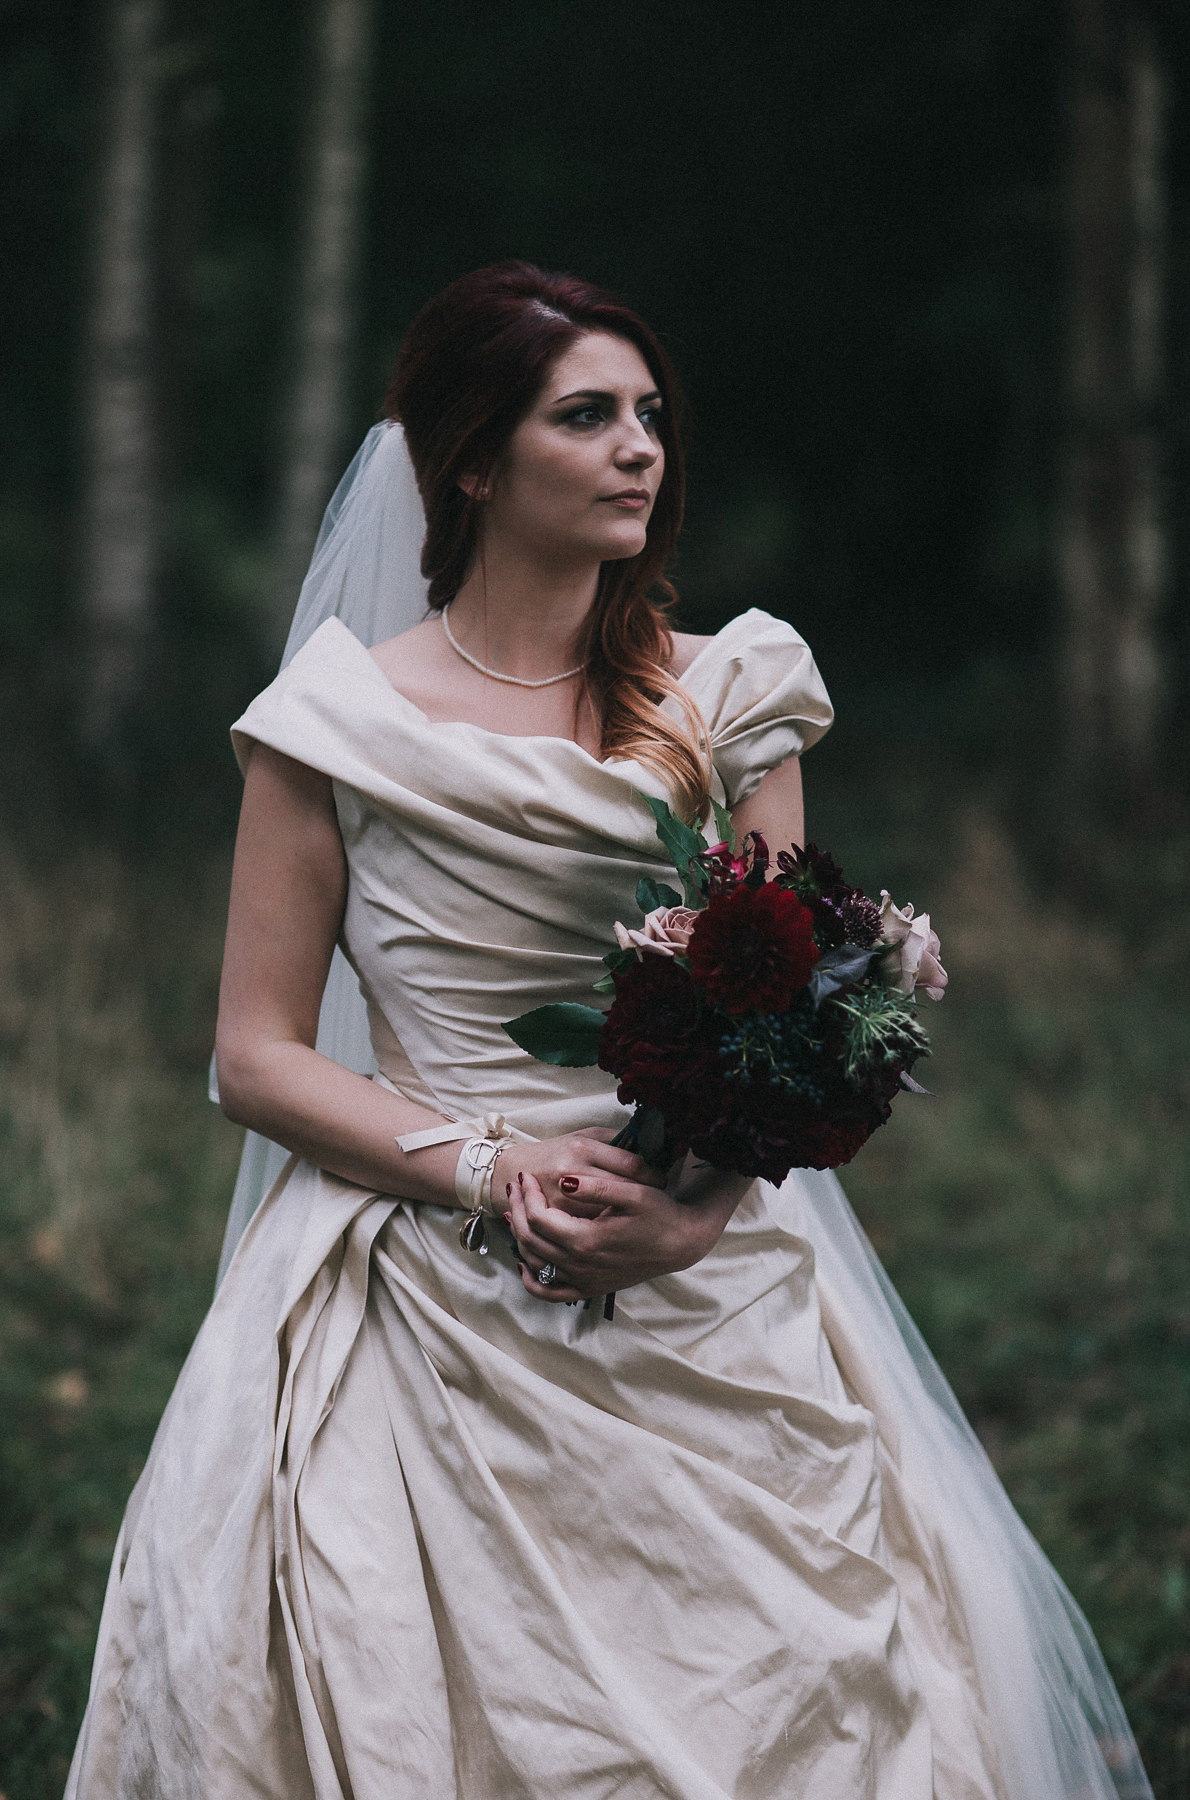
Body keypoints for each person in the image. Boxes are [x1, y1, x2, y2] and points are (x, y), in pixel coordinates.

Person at [65, 263, 1151, 1800]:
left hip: (710, 1290)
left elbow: (795, 1009)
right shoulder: (333, 727)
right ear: (473, 460)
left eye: (650, 415)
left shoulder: (727, 697)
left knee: (801, 1690)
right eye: (588, 416)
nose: (642, 446)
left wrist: (698, 1208)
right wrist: (490, 1168)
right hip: (424, 1283)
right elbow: (257, 1052)